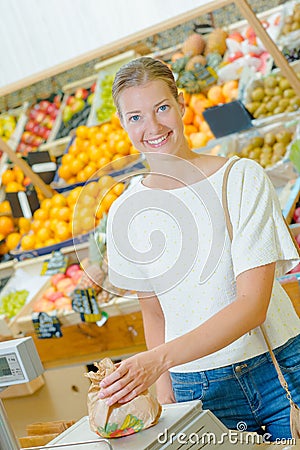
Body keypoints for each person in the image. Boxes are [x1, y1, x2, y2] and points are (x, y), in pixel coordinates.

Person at [99, 56, 300, 440]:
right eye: (136, 117)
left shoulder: (240, 178)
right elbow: (154, 313)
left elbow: (251, 306)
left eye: (161, 108)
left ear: (181, 106)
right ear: (122, 125)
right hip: (196, 389)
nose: (153, 127)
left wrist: (157, 363)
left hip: (279, 372)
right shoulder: (123, 212)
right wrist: (165, 390)